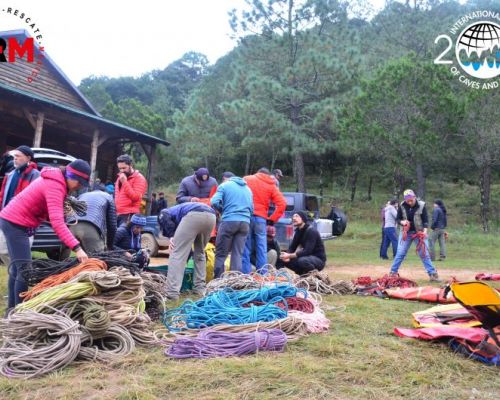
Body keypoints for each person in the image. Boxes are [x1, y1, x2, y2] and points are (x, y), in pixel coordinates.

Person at [0, 159, 90, 308]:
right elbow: (57, 223)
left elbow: (50, 212)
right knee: (25, 271)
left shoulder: (56, 181)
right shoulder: (56, 186)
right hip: (15, 224)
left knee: (18, 269)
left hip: (11, 220)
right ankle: (19, 312)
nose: (79, 187)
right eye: (79, 183)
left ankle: (12, 310)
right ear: (71, 176)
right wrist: (77, 248)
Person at [159, 203, 216, 300]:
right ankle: (200, 289)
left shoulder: (164, 212)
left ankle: (172, 293)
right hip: (211, 216)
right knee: (200, 253)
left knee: (177, 253)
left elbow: (164, 218)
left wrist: (171, 235)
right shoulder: (180, 210)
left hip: (193, 216)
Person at [0, 146, 40, 266]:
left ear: (28, 158)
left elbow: (37, 199)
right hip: (6, 219)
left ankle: (21, 273)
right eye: (14, 156)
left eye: (18, 156)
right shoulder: (10, 175)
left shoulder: (35, 175)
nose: (15, 158)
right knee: (2, 251)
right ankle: (18, 271)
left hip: (24, 223)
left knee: (21, 257)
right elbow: (3, 196)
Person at [389, 189, 441, 282]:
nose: (409, 202)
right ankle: (393, 273)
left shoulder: (421, 205)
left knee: (424, 253)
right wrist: (402, 222)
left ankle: (432, 274)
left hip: (419, 233)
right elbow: (398, 219)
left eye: (411, 200)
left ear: (414, 197)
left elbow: (425, 220)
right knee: (400, 253)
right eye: (407, 200)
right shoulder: (402, 205)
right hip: (406, 233)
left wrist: (424, 231)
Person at [242, 168, 286, 275]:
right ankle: (263, 275)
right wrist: (272, 219)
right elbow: (282, 204)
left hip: (246, 216)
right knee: (262, 248)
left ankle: (245, 275)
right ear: (268, 175)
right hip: (261, 219)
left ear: (257, 172)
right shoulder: (271, 184)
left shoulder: (247, 179)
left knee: (246, 247)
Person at [210, 171, 253, 278]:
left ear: (225, 179)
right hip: (245, 223)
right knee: (237, 254)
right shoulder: (248, 189)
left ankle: (218, 281)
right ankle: (235, 280)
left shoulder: (224, 185)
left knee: (221, 253)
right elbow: (252, 209)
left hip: (229, 221)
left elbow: (214, 201)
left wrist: (222, 211)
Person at [114, 154, 148, 226]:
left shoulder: (139, 178)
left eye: (124, 168)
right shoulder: (120, 177)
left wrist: (124, 182)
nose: (122, 171)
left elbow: (135, 197)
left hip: (129, 215)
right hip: (118, 214)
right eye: (120, 168)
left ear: (130, 165)